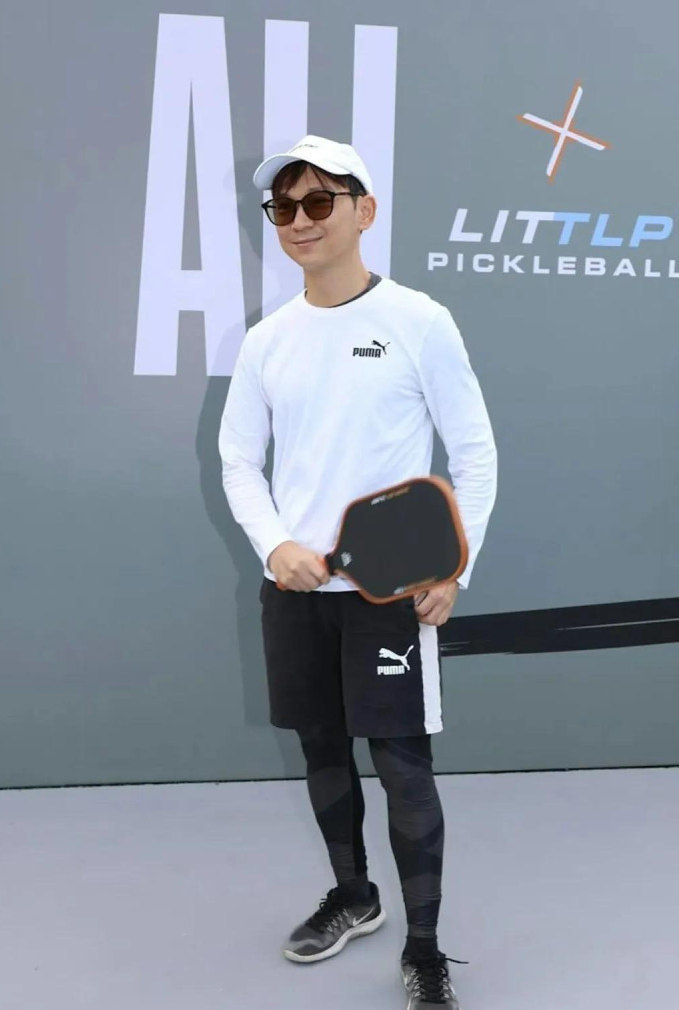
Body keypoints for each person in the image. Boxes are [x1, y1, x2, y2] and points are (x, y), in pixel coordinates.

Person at [218, 134, 497, 1009]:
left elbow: (475, 452)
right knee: (321, 749)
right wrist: (275, 546)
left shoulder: (419, 320)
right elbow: (238, 462)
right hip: (297, 594)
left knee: (404, 766)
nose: (298, 221)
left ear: (363, 210)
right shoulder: (267, 339)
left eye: (318, 202)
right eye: (283, 207)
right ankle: (353, 895)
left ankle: (424, 948)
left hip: (389, 597)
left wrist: (455, 567)